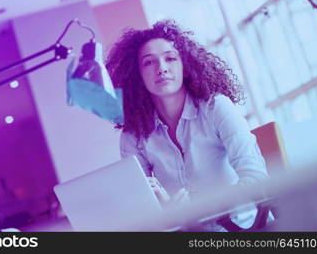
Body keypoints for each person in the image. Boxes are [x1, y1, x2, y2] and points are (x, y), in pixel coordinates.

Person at [105, 19, 270, 231]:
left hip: (240, 228)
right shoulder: (133, 135)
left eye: (170, 58)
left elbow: (256, 177)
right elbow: (139, 208)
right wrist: (163, 211)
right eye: (148, 62)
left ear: (185, 66)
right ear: (137, 75)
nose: (161, 68)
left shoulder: (215, 107)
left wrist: (198, 210)